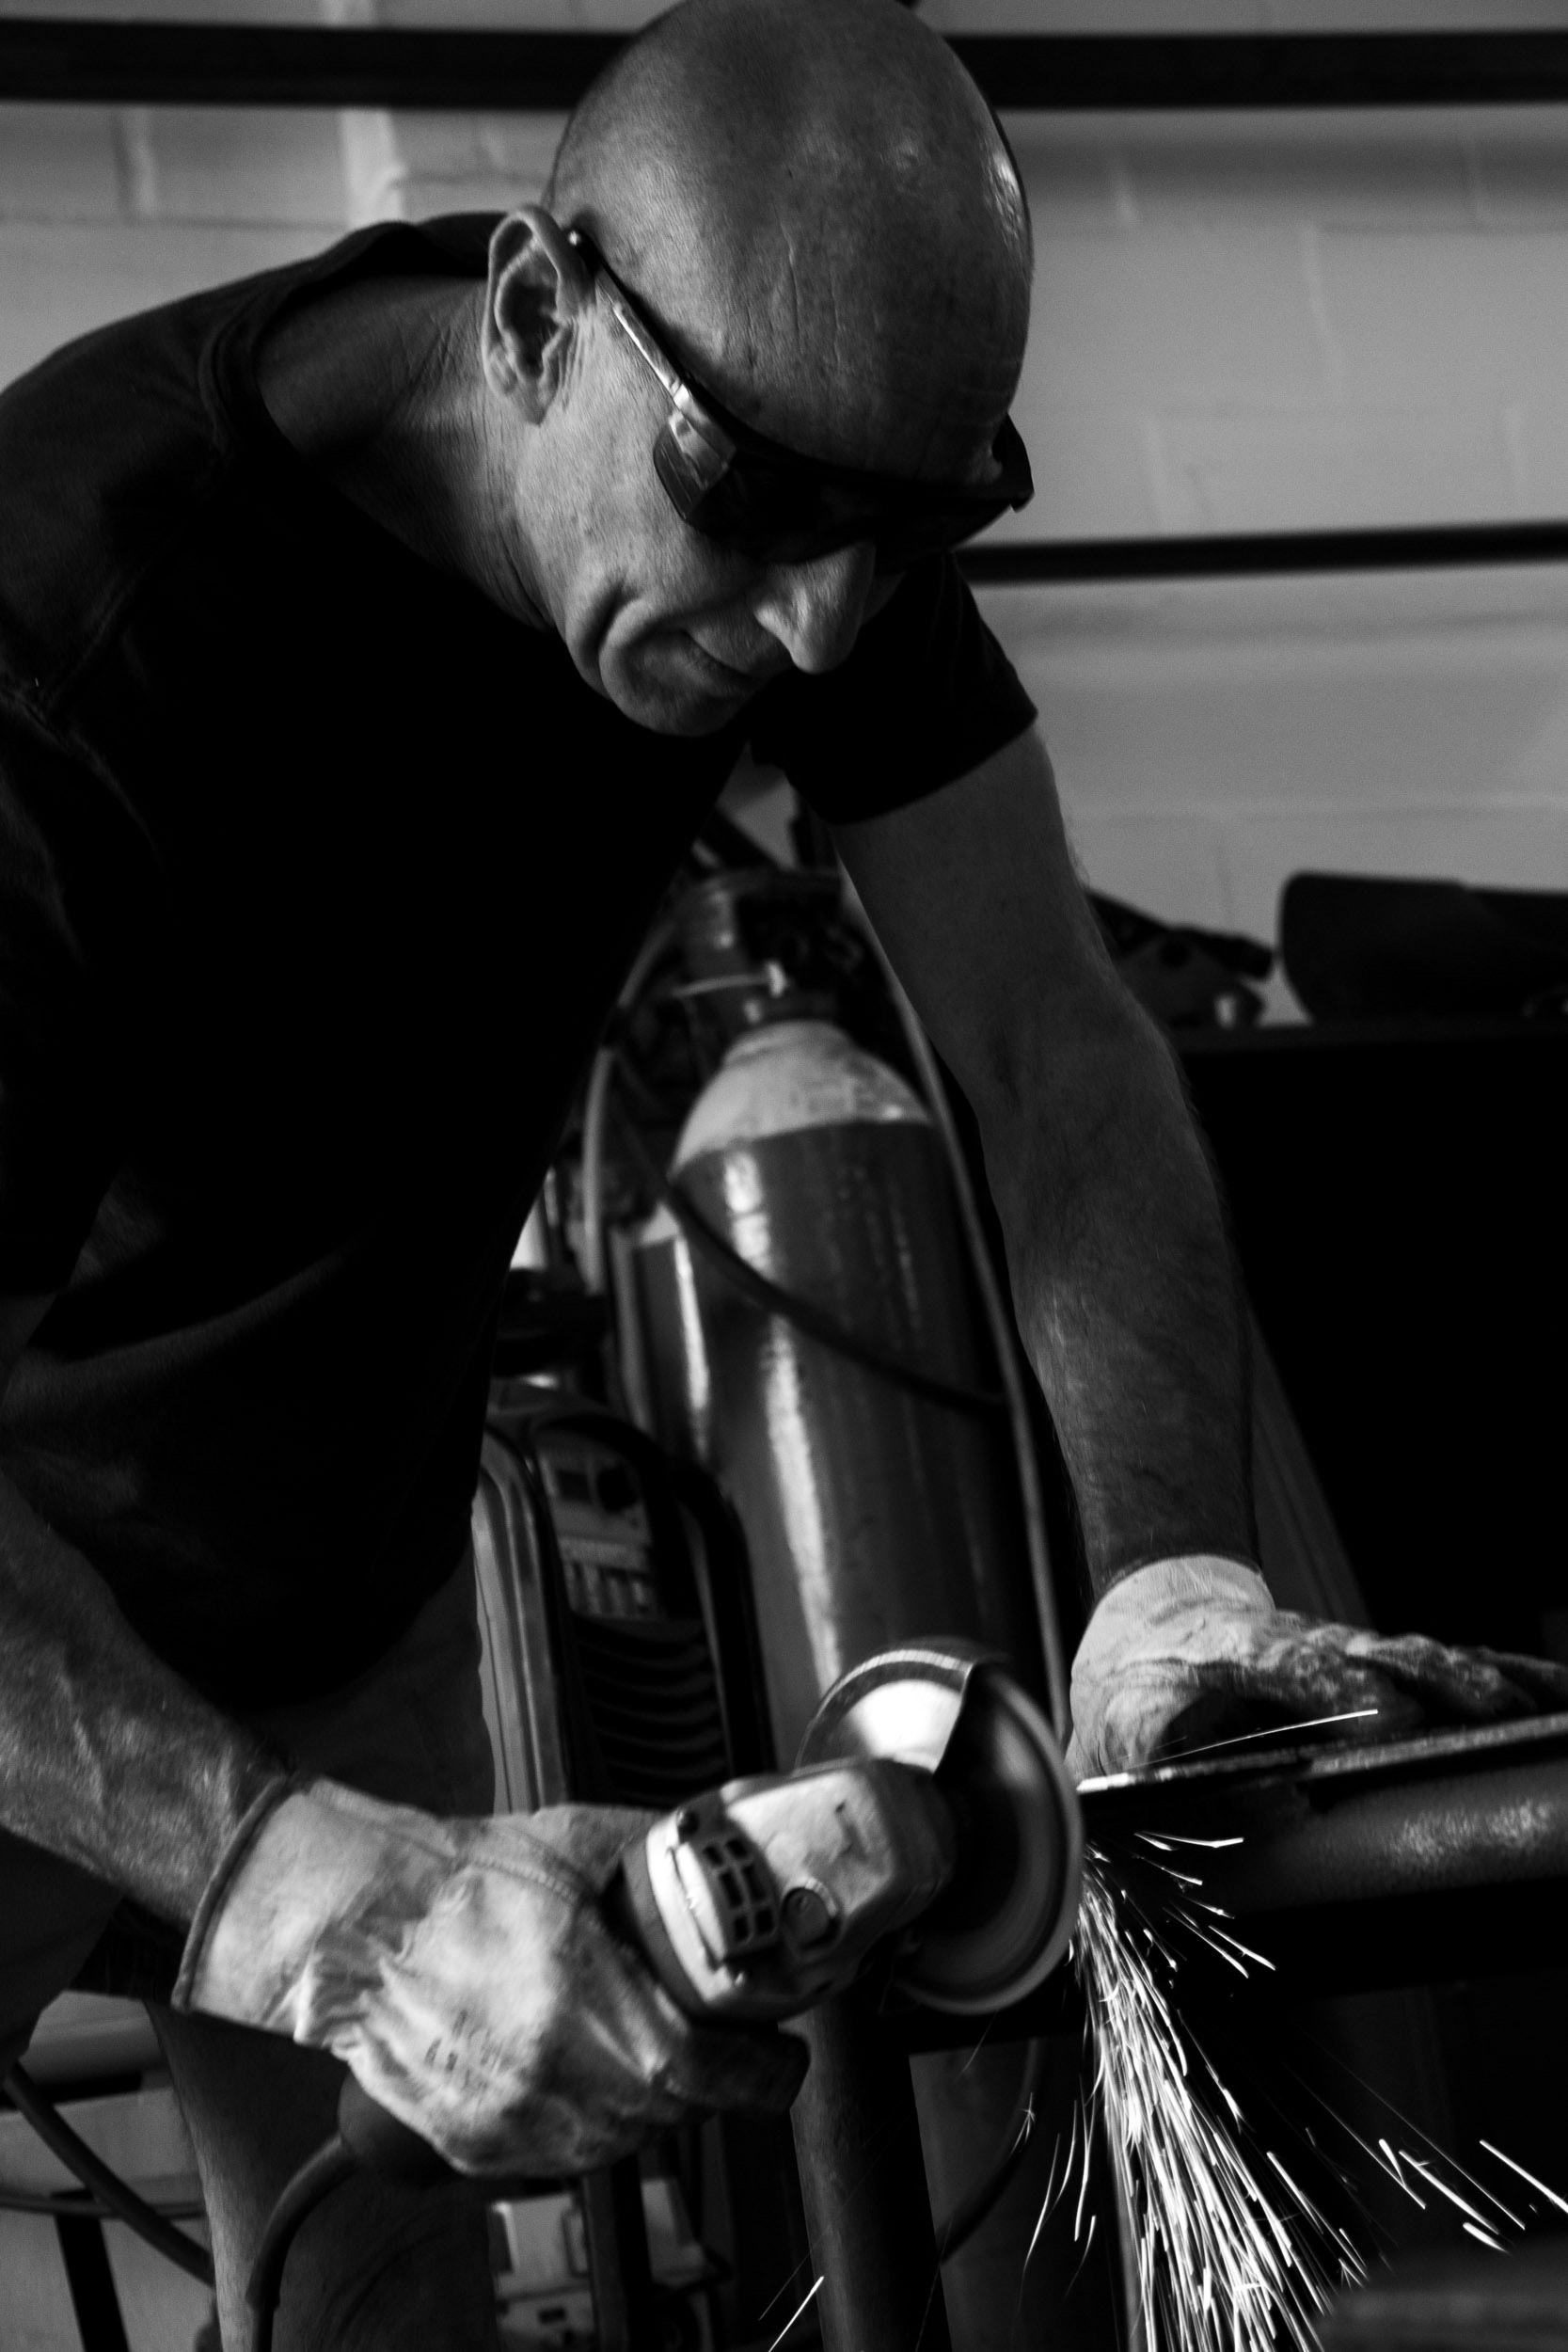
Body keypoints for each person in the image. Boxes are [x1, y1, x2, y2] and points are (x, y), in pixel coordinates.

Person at [1, 0, 1561, 2341]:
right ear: (535, 317)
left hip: (342, 1561)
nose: (825, 626)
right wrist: (309, 1901)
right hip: (31, 1578)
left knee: (383, 2291)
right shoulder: (78, 626)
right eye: (756, 515)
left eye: (909, 539)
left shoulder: (788, 457)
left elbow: (1055, 1049)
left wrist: (1172, 1585)